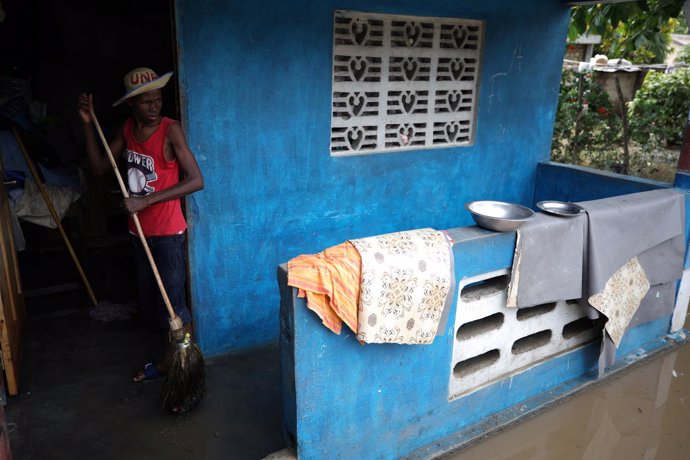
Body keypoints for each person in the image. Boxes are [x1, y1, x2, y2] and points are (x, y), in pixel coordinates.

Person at [77, 67, 204, 383]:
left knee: (173, 306)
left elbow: (196, 180)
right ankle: (172, 361)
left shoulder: (170, 130)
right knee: (153, 305)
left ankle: (179, 369)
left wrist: (145, 201)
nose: (154, 108)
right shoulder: (128, 129)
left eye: (158, 100)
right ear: (132, 105)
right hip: (139, 234)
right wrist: (88, 127)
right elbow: (98, 168)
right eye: (146, 102)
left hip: (168, 234)